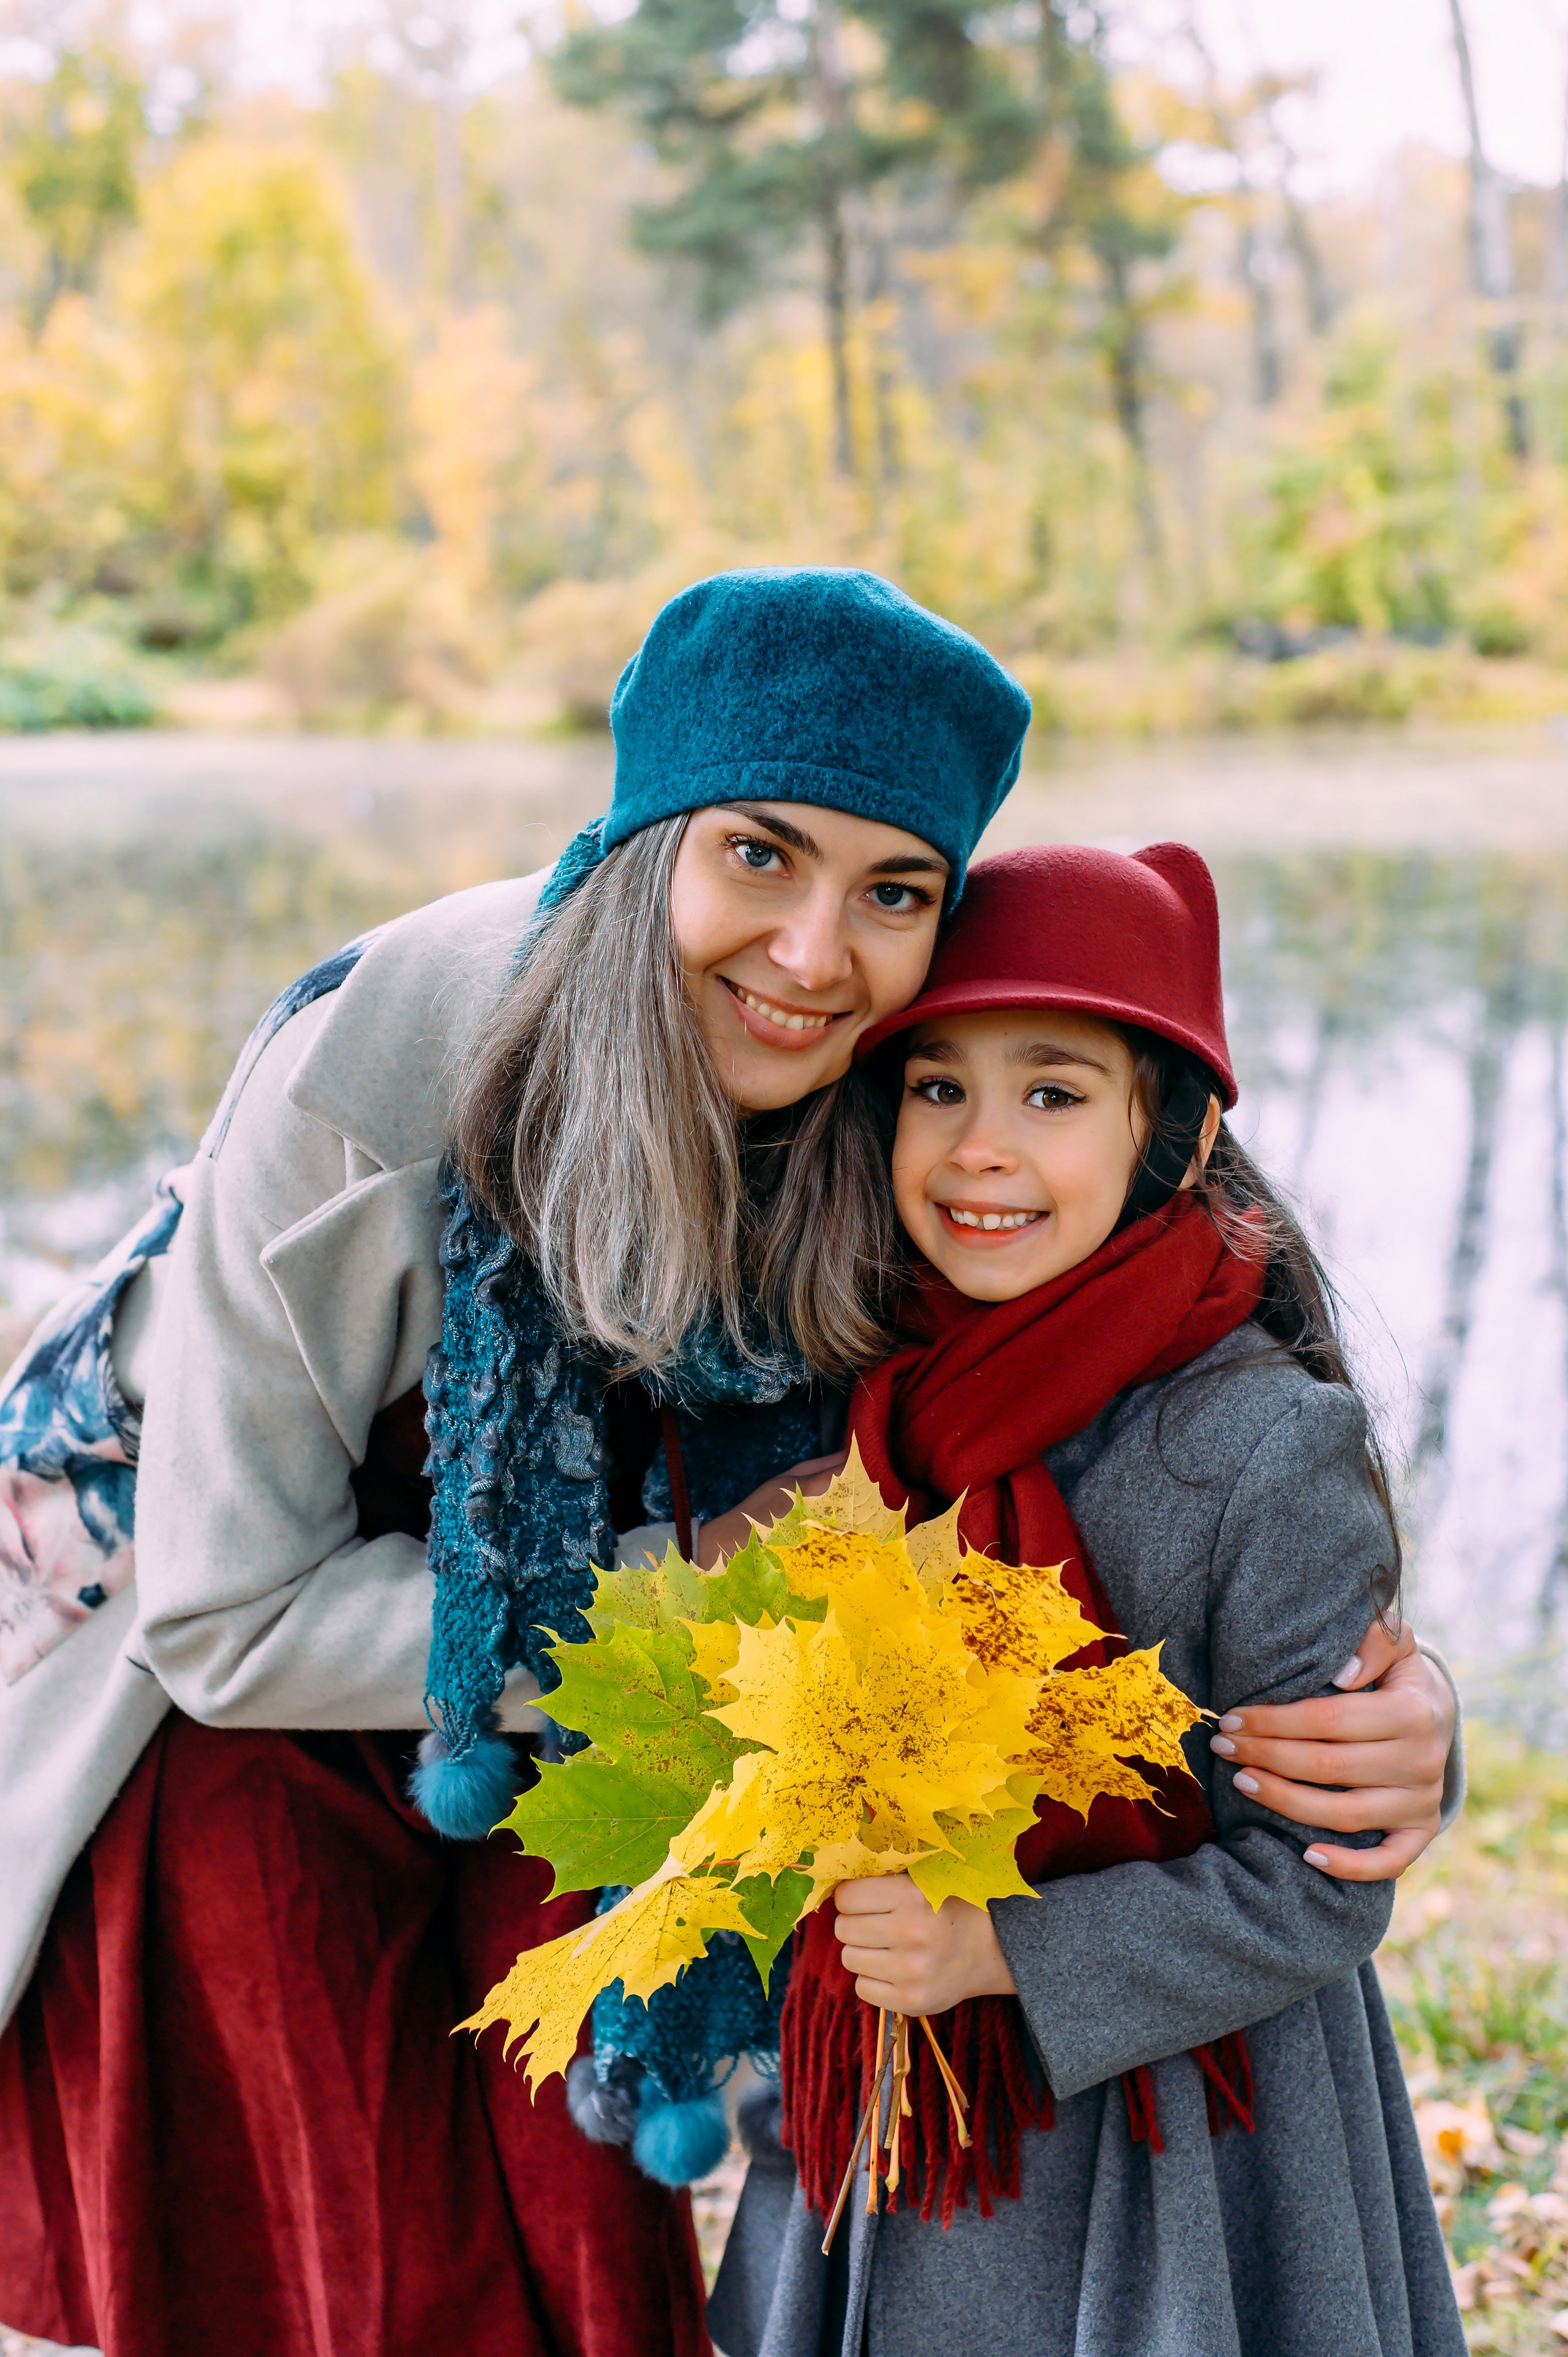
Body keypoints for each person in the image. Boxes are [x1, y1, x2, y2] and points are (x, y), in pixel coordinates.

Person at [0, 575, 1456, 2357]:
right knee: (356, 2259)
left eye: (894, 892)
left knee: (585, 2264)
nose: (815, 951)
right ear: (643, 840)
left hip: (582, 1734)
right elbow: (225, 1620)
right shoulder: (365, 1086)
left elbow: (1116, 1343)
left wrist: (1374, 1690)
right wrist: (684, 1608)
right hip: (240, 1717)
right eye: (760, 855)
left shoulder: (880, 1082)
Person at [710, 838, 1464, 2357]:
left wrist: (999, 1951)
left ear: (1168, 1142)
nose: (981, 1147)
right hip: (894, 2118)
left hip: (1174, 2147)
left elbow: (1321, 1872)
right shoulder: (865, 1396)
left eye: (1051, 1094)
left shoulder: (1256, 1445)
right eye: (939, 1088)